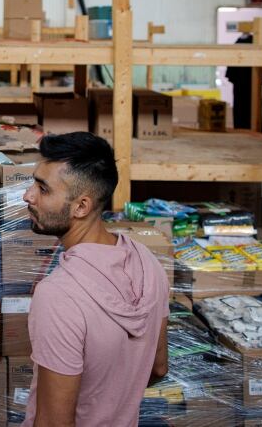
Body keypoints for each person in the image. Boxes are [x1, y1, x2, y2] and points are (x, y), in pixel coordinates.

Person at [21, 132, 169, 427]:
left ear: (81, 207)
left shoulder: (59, 296)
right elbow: (159, 368)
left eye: (43, 188)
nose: (28, 196)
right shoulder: (147, 263)